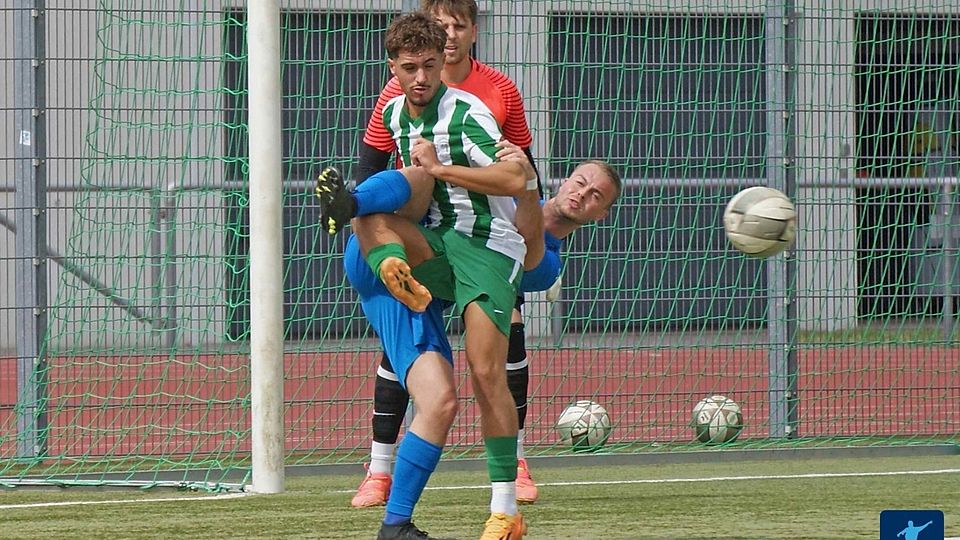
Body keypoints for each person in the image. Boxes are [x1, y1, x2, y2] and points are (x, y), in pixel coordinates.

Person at [315, 12, 536, 539]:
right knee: (375, 208)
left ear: (444, 64)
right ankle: (384, 257)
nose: (420, 78)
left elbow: (518, 175)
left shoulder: (469, 112)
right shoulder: (394, 113)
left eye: (430, 67)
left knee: (485, 374)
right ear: (393, 67)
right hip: (431, 246)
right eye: (409, 68)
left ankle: (505, 509)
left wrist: (441, 170)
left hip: (484, 247)